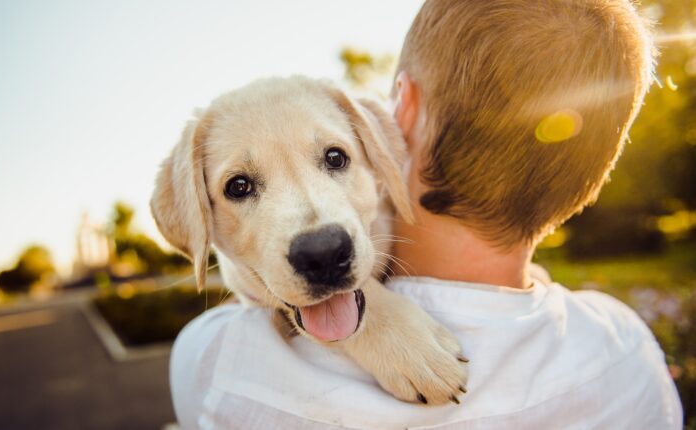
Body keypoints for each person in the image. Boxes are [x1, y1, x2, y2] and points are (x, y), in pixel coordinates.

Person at [170, 0, 683, 428]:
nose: (316, 232)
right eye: (240, 187)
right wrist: (373, 319)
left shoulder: (216, 365)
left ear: (402, 113)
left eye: (334, 159)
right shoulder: (627, 349)